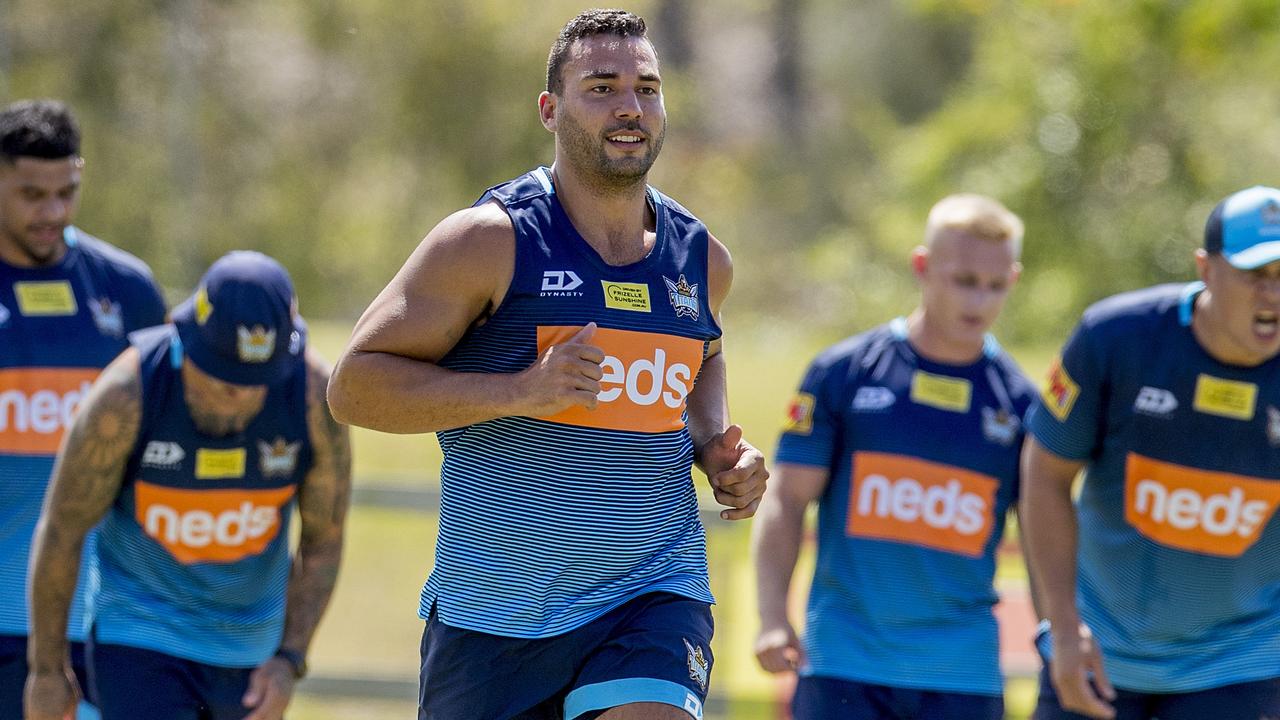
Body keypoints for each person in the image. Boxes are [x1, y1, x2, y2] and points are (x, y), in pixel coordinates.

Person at [325, 8, 768, 720]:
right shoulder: (488, 241)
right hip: (494, 616)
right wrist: (520, 390)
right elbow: (355, 389)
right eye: (601, 87)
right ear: (550, 109)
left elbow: (704, 353)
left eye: (647, 89)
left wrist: (714, 443)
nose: (630, 107)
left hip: (650, 593)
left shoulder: (701, 258)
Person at [24, 251, 351, 720]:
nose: (238, 396)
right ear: (187, 342)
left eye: (256, 380)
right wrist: (47, 671)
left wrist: (288, 660)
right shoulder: (126, 394)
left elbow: (324, 540)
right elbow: (61, 530)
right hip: (138, 631)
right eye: (223, 379)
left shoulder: (314, 399)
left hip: (250, 649)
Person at [752, 194, 1034, 720]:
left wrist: (1060, 634)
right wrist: (772, 617)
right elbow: (787, 500)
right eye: (965, 281)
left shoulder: (1020, 403)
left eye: (996, 286)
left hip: (962, 676)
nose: (980, 301)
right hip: (843, 665)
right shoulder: (844, 373)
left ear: (1013, 280)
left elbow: (1044, 534)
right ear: (922, 267)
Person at [1021, 185, 1280, 720]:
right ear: (1206, 270)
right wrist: (1064, 630)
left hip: (1243, 663)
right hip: (1100, 658)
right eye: (1256, 275)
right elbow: (1045, 475)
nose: (1273, 296)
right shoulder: (1116, 338)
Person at [0, 98, 166, 718]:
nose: (54, 212)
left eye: (67, 192)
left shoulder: (126, 288)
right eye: (31, 194)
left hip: (105, 618)